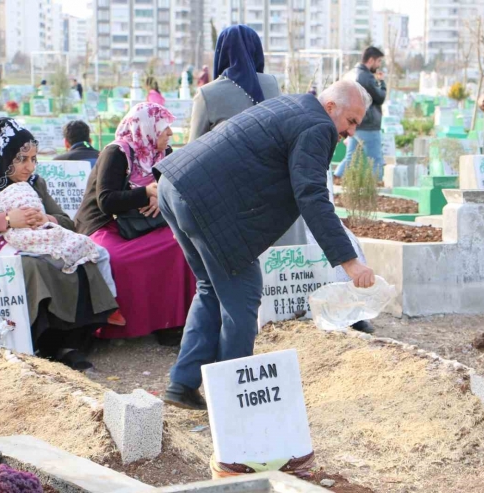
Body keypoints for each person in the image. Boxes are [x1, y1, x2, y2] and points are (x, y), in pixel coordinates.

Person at [156, 80, 376, 410]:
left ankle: (183, 384)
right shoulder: (318, 126)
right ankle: (232, 399)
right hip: (209, 206)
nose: (351, 132)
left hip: (174, 185)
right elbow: (312, 196)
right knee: (243, 299)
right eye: (351, 121)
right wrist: (350, 262)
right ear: (331, 107)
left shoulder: (293, 105)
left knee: (211, 289)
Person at [0, 121, 119, 369]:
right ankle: (38, 342)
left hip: (37, 243)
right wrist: (6, 220)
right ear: (3, 156)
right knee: (33, 267)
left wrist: (45, 219)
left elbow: (66, 221)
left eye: (33, 158)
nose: (29, 166)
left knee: (81, 260)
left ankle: (68, 343)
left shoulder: (35, 182)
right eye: (21, 159)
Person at [74, 103, 196, 342]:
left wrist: (161, 199)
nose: (170, 133)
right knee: (117, 260)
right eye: (164, 128)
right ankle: (115, 328)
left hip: (145, 223)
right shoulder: (117, 152)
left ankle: (171, 324)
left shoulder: (165, 154)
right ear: (146, 129)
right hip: (105, 223)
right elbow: (105, 200)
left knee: (180, 246)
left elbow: (176, 190)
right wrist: (147, 193)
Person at [189, 25, 280, 142]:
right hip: (270, 159)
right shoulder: (272, 84)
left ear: (221, 52)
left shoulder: (206, 93)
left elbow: (193, 147)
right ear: (257, 51)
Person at [334, 46, 387, 181]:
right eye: (379, 61)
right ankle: (377, 186)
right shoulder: (366, 77)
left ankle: (336, 179)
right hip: (368, 124)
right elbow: (380, 98)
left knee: (351, 156)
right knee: (375, 159)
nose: (379, 65)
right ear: (371, 60)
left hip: (354, 123)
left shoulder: (351, 73)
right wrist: (381, 82)